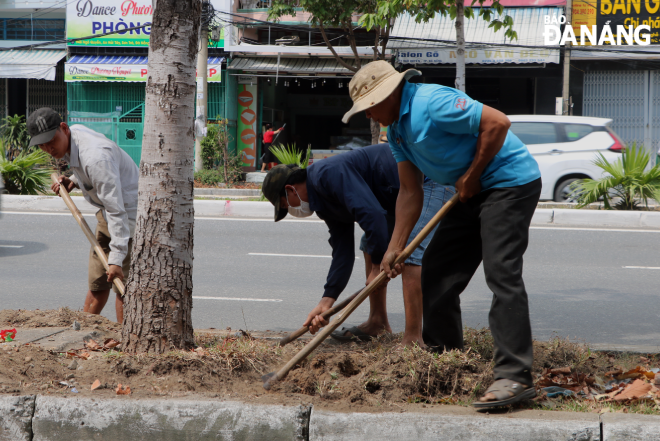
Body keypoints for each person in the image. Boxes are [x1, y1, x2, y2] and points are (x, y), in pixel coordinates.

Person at [342, 61, 542, 409]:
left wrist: (473, 174)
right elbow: (409, 191)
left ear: (389, 94)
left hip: (509, 184)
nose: (370, 116)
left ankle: (515, 376)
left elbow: (498, 122)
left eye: (371, 106)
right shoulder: (398, 132)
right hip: (469, 191)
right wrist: (395, 247)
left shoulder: (431, 102)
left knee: (502, 272)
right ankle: (443, 355)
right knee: (436, 268)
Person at [261, 144, 454, 347]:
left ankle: (413, 338)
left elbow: (374, 216)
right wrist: (327, 301)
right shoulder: (322, 201)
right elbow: (342, 251)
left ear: (291, 189)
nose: (291, 210)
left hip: (429, 179)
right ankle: (377, 322)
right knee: (369, 243)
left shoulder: (327, 175)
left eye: (285, 205)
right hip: (396, 194)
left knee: (411, 254)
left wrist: (377, 267)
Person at [27, 107, 139, 324]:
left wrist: (116, 259)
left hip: (128, 218)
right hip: (106, 213)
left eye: (51, 140)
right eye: (42, 145)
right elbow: (85, 170)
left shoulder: (97, 158)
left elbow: (117, 211)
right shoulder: (74, 136)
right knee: (98, 283)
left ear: (63, 128)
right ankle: (81, 335)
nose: (48, 148)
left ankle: (126, 340)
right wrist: (74, 180)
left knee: (120, 285)